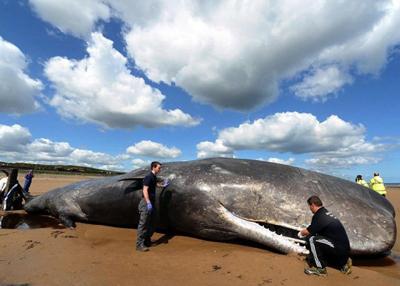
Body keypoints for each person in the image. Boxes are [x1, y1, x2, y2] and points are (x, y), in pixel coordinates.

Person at [298, 195, 352, 276]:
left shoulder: (319, 216)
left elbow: (308, 231)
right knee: (318, 238)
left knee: (312, 239)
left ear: (312, 205)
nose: (310, 208)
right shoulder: (326, 213)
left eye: (309, 206)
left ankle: (320, 269)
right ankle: (344, 263)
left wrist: (299, 234)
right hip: (344, 251)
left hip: (339, 251)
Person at [136, 161, 169, 252]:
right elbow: (145, 190)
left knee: (153, 222)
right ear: (153, 167)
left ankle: (147, 240)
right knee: (143, 224)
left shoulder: (153, 177)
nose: (160, 169)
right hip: (146, 203)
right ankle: (139, 244)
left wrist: (163, 185)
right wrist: (148, 202)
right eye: (159, 168)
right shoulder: (148, 177)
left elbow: (154, 186)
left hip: (151, 203)